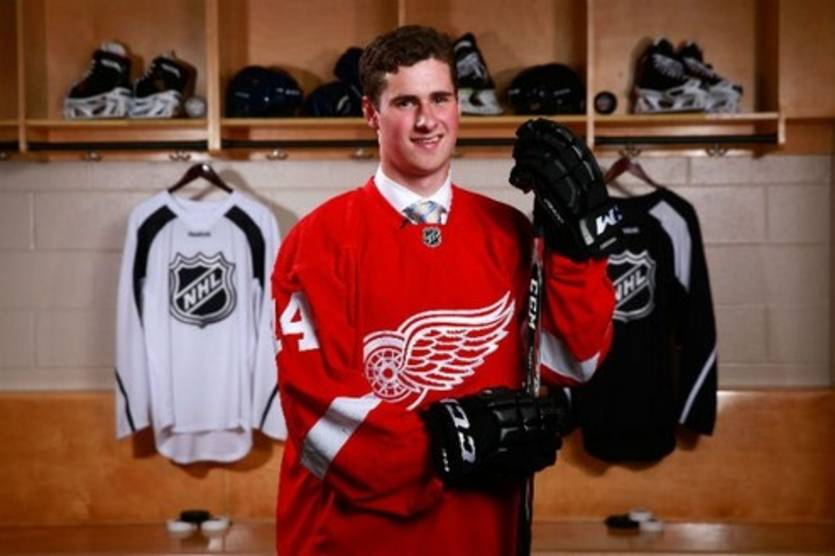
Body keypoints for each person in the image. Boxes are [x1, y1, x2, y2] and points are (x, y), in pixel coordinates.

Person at [272, 25, 617, 556]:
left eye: (440, 98)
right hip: (352, 542)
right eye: (405, 102)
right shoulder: (317, 242)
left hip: (482, 535)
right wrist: (452, 441)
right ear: (371, 113)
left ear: (458, 105)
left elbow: (574, 361)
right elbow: (322, 426)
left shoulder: (510, 233)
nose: (427, 120)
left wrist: (577, 255)